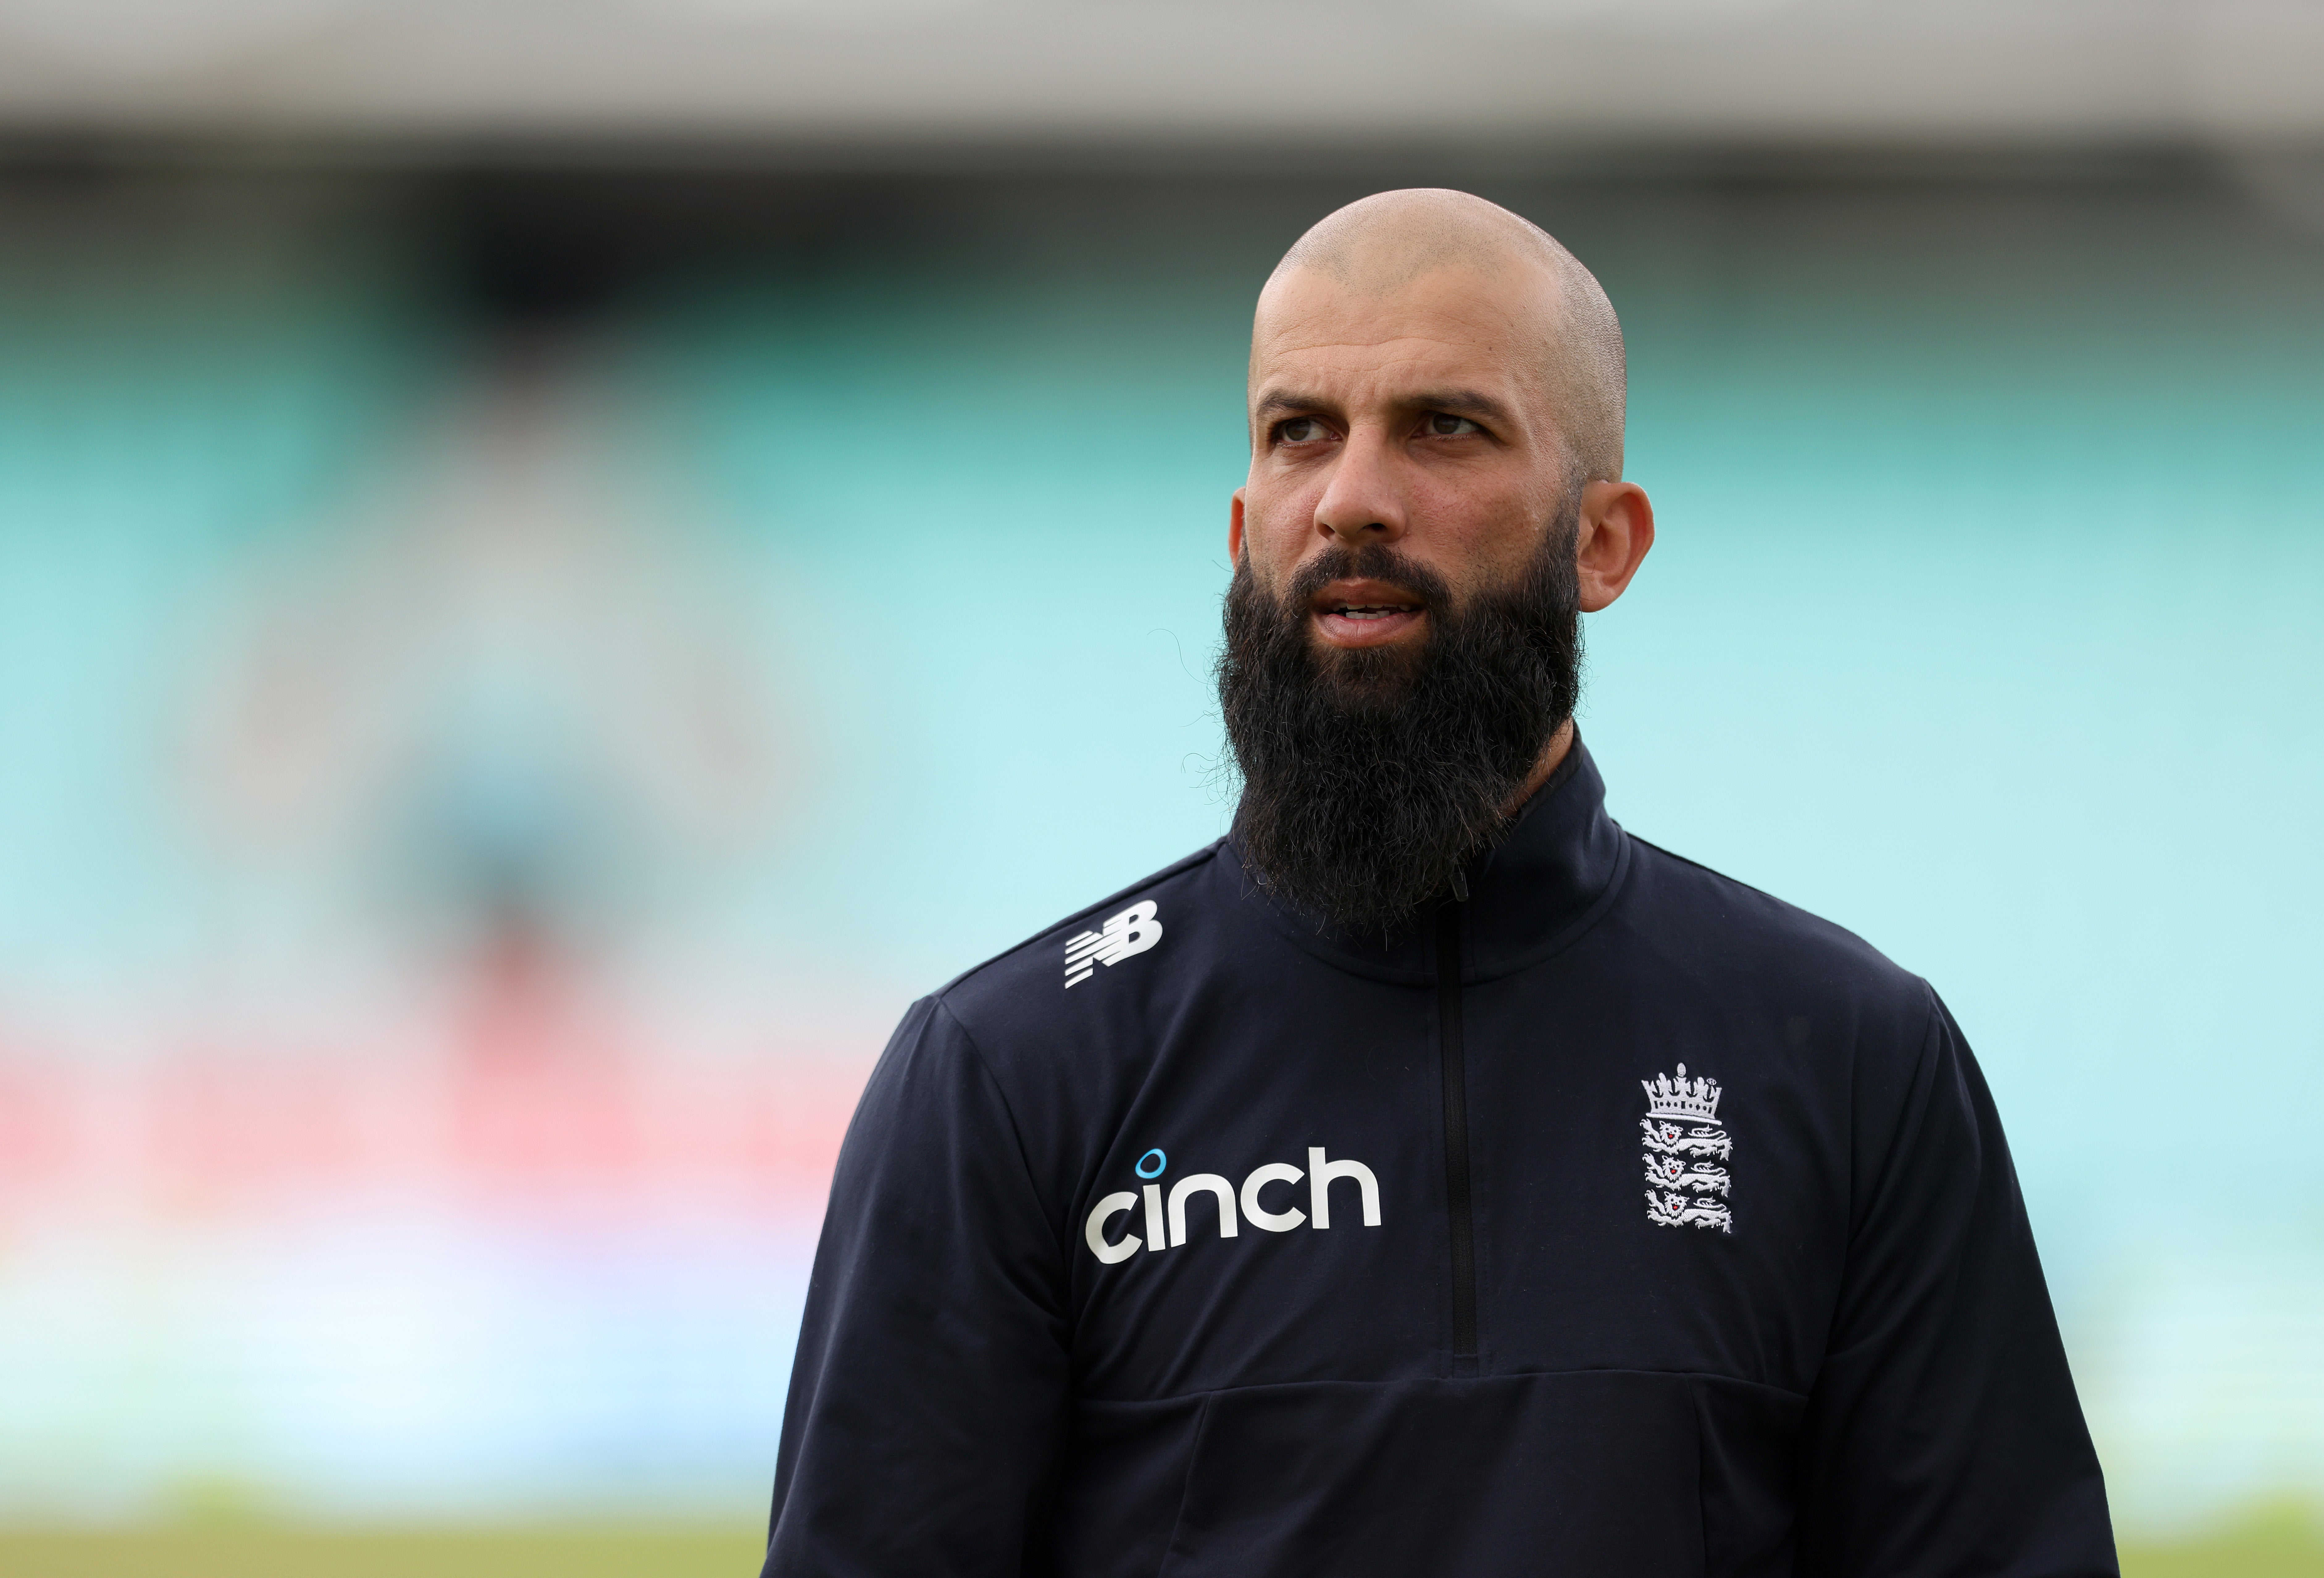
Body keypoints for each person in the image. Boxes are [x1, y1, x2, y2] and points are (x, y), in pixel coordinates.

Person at [761, 189, 2117, 1576]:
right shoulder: (1007, 1071)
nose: (1351, 497)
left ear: (1603, 542)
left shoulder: (1849, 1060)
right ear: (1243, 533)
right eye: (1301, 434)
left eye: (1444, 428)